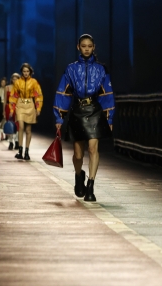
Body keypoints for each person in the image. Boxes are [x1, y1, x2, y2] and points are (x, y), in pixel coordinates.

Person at [53, 34, 114, 202]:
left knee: (93, 149)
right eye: (83, 46)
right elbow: (63, 93)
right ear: (78, 47)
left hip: (95, 110)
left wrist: (109, 118)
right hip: (78, 110)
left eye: (89, 46)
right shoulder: (71, 69)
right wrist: (59, 117)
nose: (86, 48)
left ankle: (91, 186)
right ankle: (79, 176)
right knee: (78, 154)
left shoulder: (101, 69)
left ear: (93, 48)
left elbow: (107, 94)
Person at [8, 64, 43, 160]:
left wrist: (38, 108)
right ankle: (20, 150)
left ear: (30, 72)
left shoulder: (34, 82)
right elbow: (13, 96)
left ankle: (26, 151)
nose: (26, 73)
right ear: (22, 72)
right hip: (20, 104)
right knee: (21, 127)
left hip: (30, 105)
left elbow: (38, 95)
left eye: (27, 71)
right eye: (24, 71)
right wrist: (11, 109)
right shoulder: (18, 82)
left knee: (28, 130)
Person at [4, 73, 20, 150]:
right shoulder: (7, 88)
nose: (14, 80)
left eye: (16, 78)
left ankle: (16, 142)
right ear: (11, 79)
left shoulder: (20, 88)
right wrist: (4, 111)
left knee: (17, 125)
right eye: (13, 78)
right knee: (9, 124)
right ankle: (10, 142)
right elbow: (5, 100)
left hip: (17, 108)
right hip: (8, 107)